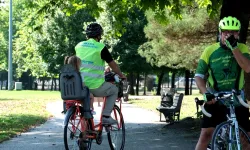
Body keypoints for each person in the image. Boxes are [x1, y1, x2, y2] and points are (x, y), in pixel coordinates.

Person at [194, 16, 250, 150]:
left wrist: (234, 48)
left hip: (236, 99)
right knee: (205, 135)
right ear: (220, 32)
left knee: (246, 139)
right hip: (215, 98)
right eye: (226, 32)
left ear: (238, 34)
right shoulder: (209, 51)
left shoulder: (242, 48)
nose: (229, 34)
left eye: (234, 32)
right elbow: (199, 76)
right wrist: (206, 93)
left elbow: (247, 67)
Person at [75, 22, 126, 125]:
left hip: (80, 84)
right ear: (99, 35)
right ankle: (106, 116)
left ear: (87, 35)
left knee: (86, 109)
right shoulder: (100, 47)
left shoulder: (78, 45)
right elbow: (113, 65)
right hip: (95, 86)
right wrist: (121, 75)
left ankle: (85, 136)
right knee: (114, 90)